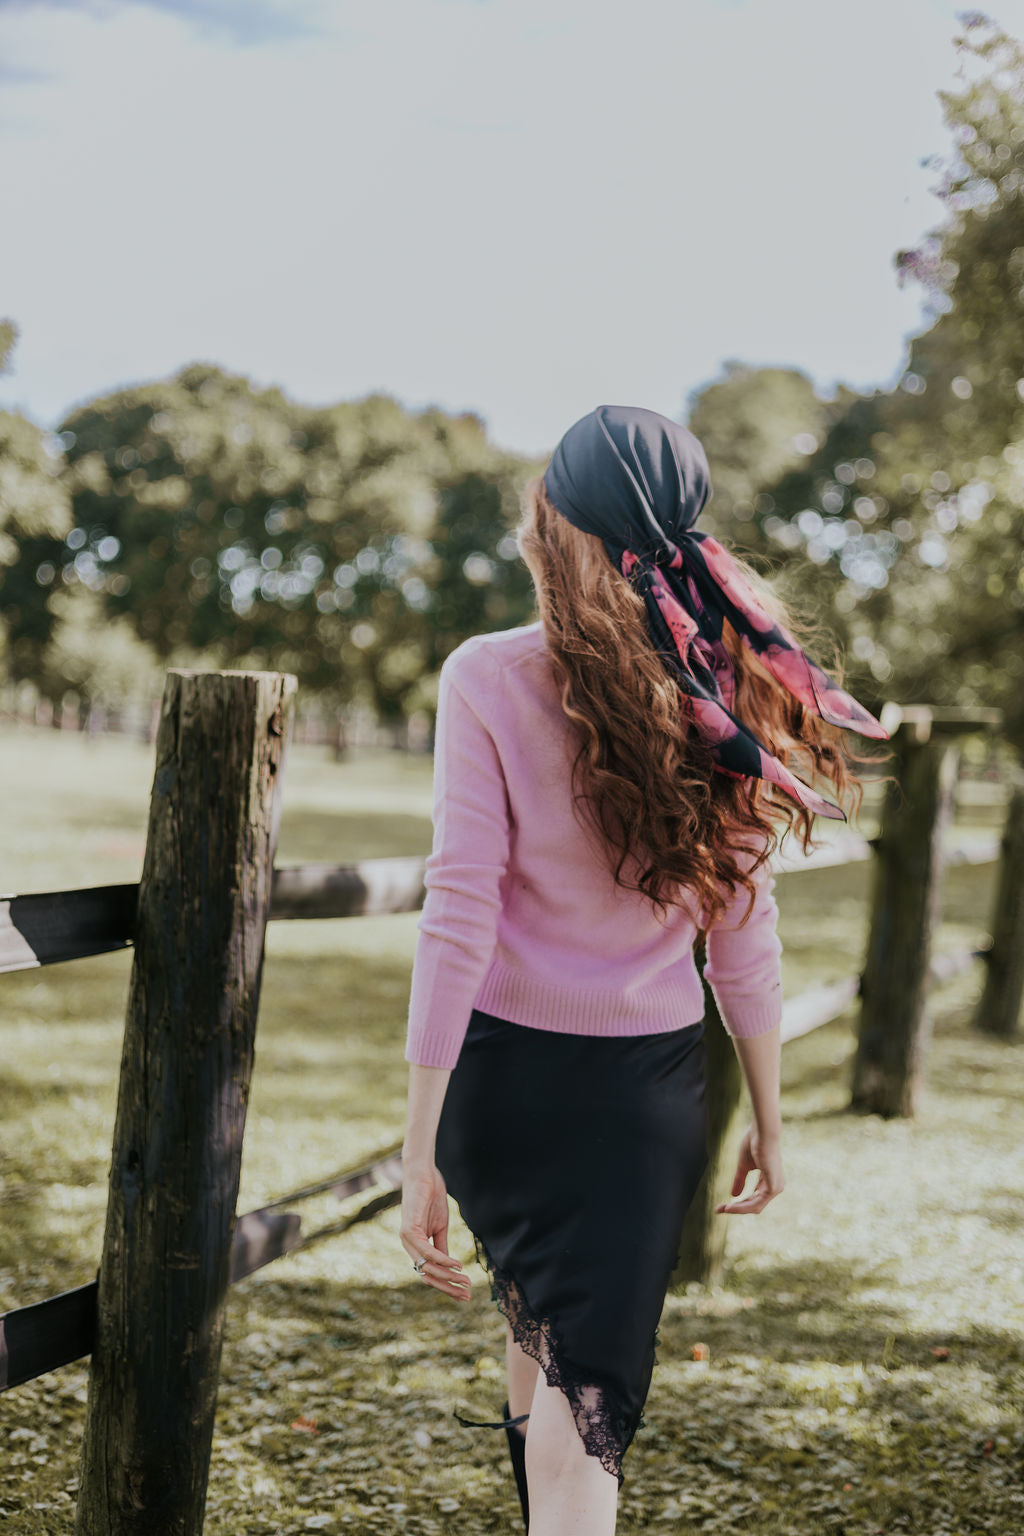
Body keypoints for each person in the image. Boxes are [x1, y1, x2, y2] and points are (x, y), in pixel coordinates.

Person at [399, 404, 886, 1535]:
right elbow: (741, 932)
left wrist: (418, 1146)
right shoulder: (728, 699)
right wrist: (767, 1111)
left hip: (500, 1095)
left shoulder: (483, 674)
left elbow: (457, 914)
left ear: (547, 526)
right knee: (585, 1417)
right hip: (641, 1104)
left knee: (547, 1364)